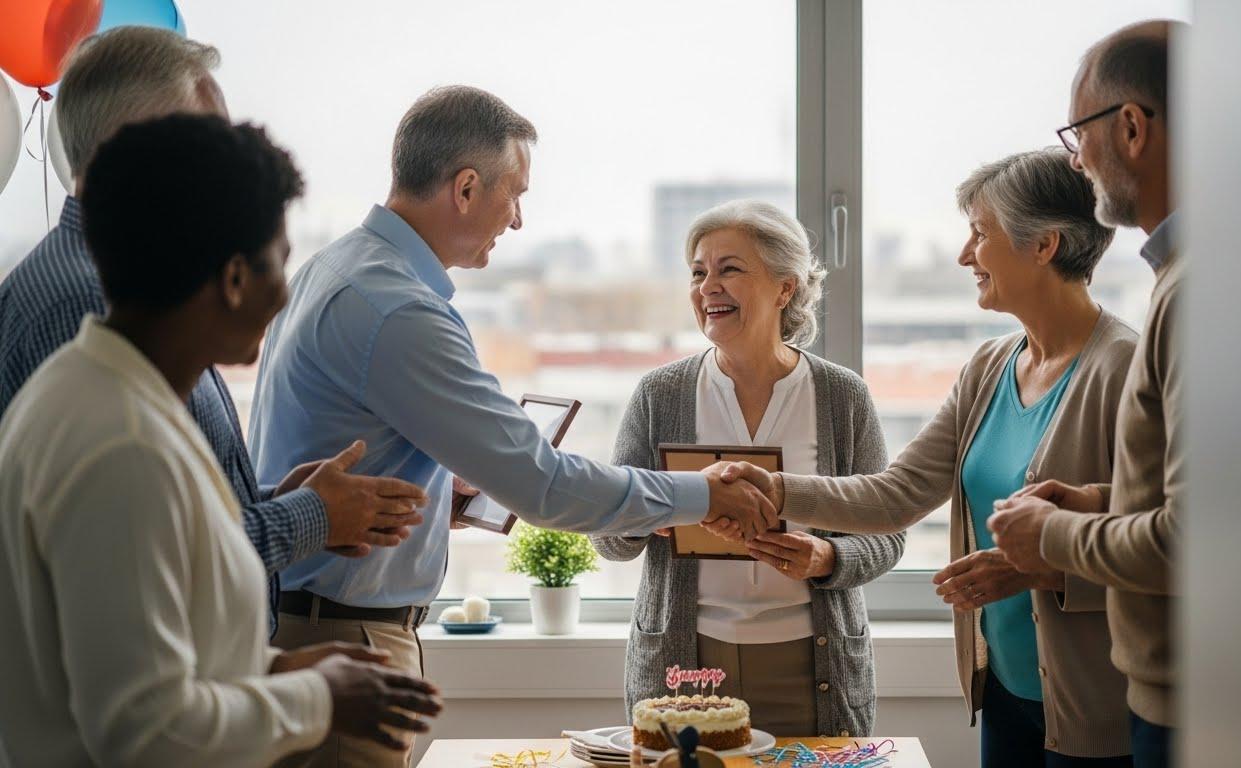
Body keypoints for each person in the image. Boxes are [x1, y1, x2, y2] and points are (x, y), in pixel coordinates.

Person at [248, 85, 777, 768]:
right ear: (465, 188)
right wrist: (704, 493)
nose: (518, 220)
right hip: (345, 637)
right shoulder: (396, 309)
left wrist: (439, 497)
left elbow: (347, 449)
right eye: (514, 193)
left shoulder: (337, 269)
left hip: (314, 622)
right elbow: (546, 487)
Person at [0, 113, 443, 767]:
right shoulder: (123, 444)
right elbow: (146, 732)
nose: (286, 291)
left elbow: (136, 646)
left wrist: (275, 668)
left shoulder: (107, 392)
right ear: (235, 279)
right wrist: (316, 697)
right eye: (279, 263)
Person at [0, 26, 426, 640]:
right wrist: (310, 517)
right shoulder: (87, 305)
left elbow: (162, 509)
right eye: (210, 142)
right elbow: (140, 564)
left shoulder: (137, 291)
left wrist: (273, 501)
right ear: (138, 149)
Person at [717, 150, 1140, 766]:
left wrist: (1039, 570)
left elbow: (1161, 544)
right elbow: (898, 493)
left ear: (1044, 244)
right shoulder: (990, 366)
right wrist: (777, 489)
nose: (966, 255)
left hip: (1097, 704)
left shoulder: (1123, 367)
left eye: (980, 234)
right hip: (1003, 688)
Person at [591, 200, 904, 737]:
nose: (707, 286)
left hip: (812, 665)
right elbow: (608, 536)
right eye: (697, 272)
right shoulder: (658, 394)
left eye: (729, 269)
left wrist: (828, 557)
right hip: (684, 664)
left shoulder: (841, 396)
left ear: (786, 288)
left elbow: (889, 532)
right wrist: (649, 514)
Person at [989, 21, 1185, 768]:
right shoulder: (1185, 279)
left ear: (1130, 127)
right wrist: (1099, 503)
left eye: (1079, 135)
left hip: (1175, 709)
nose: (1078, 162)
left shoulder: (1197, 292)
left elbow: (1196, 542)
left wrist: (1049, 537)